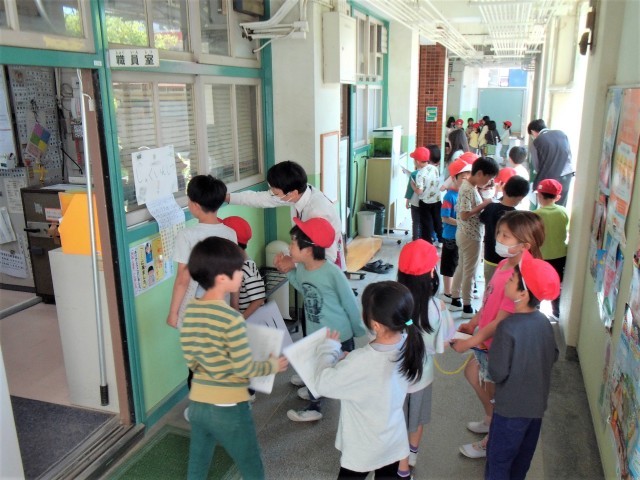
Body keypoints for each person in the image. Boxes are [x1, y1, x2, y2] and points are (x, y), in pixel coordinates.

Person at [180, 236, 289, 480]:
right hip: (229, 407)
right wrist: (272, 365)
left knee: (197, 463)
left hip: (198, 403)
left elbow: (191, 359)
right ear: (222, 278)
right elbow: (243, 368)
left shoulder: (192, 311)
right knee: (250, 463)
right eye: (239, 271)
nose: (242, 275)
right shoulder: (231, 319)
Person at [450, 210, 545, 459]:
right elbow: (488, 300)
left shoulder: (519, 278)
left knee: (495, 395)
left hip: (499, 347)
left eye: (505, 236)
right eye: (499, 233)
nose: (498, 239)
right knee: (473, 374)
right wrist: (473, 323)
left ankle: (492, 439)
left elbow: (502, 320)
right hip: (486, 341)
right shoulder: (504, 264)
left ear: (525, 245)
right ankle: (490, 419)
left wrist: (471, 341)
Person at [313, 281, 426, 479]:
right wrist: (351, 363)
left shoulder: (360, 362)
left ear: (375, 324)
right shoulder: (409, 345)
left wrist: (328, 349)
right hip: (393, 441)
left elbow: (322, 384)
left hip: (363, 447)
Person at [273, 217, 366, 422]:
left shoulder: (332, 272)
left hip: (338, 334)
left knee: (336, 371)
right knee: (316, 366)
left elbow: (349, 302)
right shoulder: (303, 268)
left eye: (293, 243)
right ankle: (315, 395)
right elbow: (302, 287)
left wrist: (358, 329)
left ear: (308, 250)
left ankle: (316, 405)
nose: (289, 247)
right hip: (315, 331)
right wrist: (288, 271)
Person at [485, 251, 560, 479]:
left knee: (499, 461)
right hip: (536, 409)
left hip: (509, 409)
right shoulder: (545, 323)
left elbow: (497, 372)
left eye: (511, 280)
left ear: (523, 294)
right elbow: (553, 355)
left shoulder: (507, 327)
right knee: (521, 460)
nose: (506, 282)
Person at [396, 240, 455, 476]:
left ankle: (396, 460)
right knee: (416, 420)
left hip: (394, 377)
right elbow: (445, 342)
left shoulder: (392, 304)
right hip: (422, 377)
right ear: (432, 273)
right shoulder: (438, 307)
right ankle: (411, 457)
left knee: (395, 418)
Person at [226, 161, 345, 269]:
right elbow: (261, 199)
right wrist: (227, 197)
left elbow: (327, 256)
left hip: (326, 265)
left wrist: (293, 262)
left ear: (293, 193)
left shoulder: (317, 212)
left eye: (275, 192)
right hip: (308, 263)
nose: (272, 194)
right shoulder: (297, 192)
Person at [167, 175, 237, 329]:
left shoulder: (186, 236)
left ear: (195, 205)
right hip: (222, 304)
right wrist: (234, 306)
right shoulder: (230, 233)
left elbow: (183, 278)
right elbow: (235, 272)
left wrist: (173, 312)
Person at [449, 157, 500, 318]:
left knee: (462, 267)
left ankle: (455, 299)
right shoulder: (468, 189)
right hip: (470, 235)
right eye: (488, 178)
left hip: (465, 233)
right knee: (470, 272)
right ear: (479, 173)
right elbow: (464, 214)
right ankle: (467, 307)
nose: (489, 182)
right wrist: (486, 203)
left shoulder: (470, 186)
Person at [480, 176, 530, 283]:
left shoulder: (490, 207)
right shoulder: (515, 216)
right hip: (507, 260)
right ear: (521, 197)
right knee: (504, 288)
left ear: (504, 189)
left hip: (489, 257)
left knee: (489, 287)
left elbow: (482, 219)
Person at [533, 179, 569, 318]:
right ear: (557, 197)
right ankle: (557, 313)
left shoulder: (536, 214)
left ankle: (535, 310)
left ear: (539, 195)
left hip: (541, 256)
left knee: (537, 285)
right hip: (560, 256)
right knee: (556, 284)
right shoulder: (563, 211)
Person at [440, 158, 472, 303]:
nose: (466, 180)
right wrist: (461, 223)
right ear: (454, 178)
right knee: (449, 265)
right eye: (463, 178)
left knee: (459, 264)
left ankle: (455, 291)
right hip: (450, 237)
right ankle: (447, 292)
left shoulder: (465, 194)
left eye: (468, 177)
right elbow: (445, 218)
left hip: (462, 236)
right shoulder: (449, 196)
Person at [221, 216, 266, 319]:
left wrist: (241, 318)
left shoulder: (246, 268)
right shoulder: (237, 263)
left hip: (249, 321)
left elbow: (259, 299)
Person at [527, 119, 574, 206]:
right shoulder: (562, 134)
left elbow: (537, 166)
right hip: (567, 175)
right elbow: (569, 154)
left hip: (550, 179)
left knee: (548, 205)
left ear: (533, 131)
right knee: (562, 203)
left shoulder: (537, 142)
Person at [408, 146, 442, 245]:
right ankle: (442, 239)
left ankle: (427, 244)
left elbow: (419, 191)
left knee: (426, 224)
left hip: (425, 203)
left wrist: (413, 186)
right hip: (437, 200)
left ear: (418, 161)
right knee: (437, 221)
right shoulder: (435, 168)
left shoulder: (420, 174)